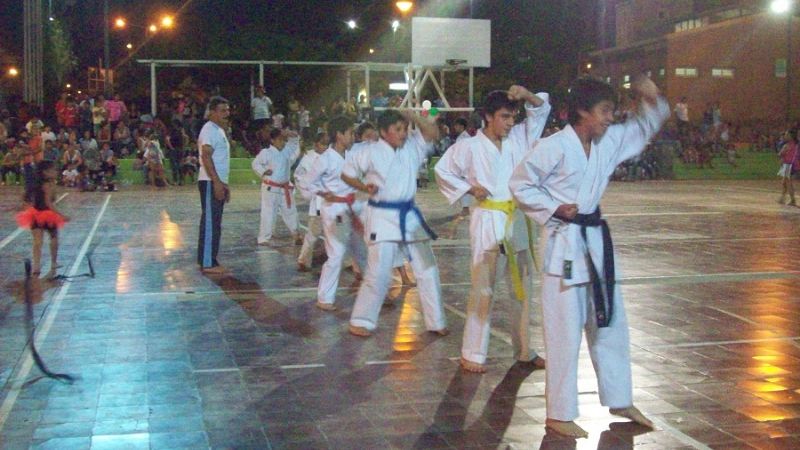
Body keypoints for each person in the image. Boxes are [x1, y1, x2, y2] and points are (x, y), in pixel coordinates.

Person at [509, 75, 669, 438]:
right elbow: (520, 183)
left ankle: (620, 396)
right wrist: (553, 207)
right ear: (582, 111)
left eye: (612, 110)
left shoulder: (608, 142)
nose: (611, 118)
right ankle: (559, 412)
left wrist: (652, 99)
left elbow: (642, 128)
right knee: (564, 331)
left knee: (611, 323)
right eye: (605, 111)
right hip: (563, 245)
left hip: (595, 244)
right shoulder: (554, 146)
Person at [435, 85, 550, 373]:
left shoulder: (519, 138)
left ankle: (524, 350)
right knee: (483, 288)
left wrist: (526, 95)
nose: (511, 123)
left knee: (522, 288)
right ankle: (472, 353)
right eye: (504, 117)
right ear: (488, 117)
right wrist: (469, 187)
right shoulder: (469, 146)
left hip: (516, 219)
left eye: (513, 117)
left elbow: (540, 112)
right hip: (487, 219)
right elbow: (442, 170)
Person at [342, 110, 447, 337]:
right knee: (379, 272)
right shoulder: (368, 152)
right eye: (397, 129)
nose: (402, 133)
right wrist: (363, 187)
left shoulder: (412, 147)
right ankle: (361, 320)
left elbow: (431, 132)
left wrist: (415, 118)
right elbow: (347, 174)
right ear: (383, 132)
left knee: (428, 268)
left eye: (404, 128)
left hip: (408, 215)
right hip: (381, 215)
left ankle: (436, 321)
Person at [302, 117, 368, 311]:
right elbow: (306, 183)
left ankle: (374, 291)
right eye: (349, 132)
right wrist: (322, 192)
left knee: (362, 251)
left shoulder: (350, 155)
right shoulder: (325, 159)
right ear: (339, 135)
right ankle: (325, 298)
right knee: (337, 254)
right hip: (335, 210)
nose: (352, 136)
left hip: (352, 207)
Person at [15, 161, 69, 279]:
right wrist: (62, 215)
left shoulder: (36, 184)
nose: (56, 172)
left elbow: (29, 199)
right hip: (48, 215)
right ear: (45, 172)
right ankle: (54, 262)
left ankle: (36, 266)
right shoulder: (49, 185)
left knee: (37, 242)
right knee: (53, 238)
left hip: (35, 213)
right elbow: (50, 203)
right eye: (53, 170)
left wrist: (25, 207)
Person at [197, 96, 232, 274]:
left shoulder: (218, 130)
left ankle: (208, 258)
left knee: (214, 222)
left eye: (227, 110)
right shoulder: (210, 130)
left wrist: (224, 184)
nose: (227, 113)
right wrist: (217, 183)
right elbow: (206, 156)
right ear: (212, 112)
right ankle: (208, 262)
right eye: (222, 110)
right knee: (211, 223)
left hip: (216, 181)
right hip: (210, 181)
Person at [251, 128, 303, 246]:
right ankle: (264, 238)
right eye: (279, 139)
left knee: (291, 212)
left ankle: (296, 234)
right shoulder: (266, 152)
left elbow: (295, 143)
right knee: (268, 212)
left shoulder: (287, 151)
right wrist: (263, 171)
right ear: (272, 140)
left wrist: (290, 134)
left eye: (283, 140)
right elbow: (255, 164)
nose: (282, 142)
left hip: (285, 188)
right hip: (270, 188)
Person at [294, 132, 328, 272]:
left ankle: (347, 261)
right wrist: (311, 194)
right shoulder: (308, 159)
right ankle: (303, 260)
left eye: (327, 144)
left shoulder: (333, 156)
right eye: (323, 144)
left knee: (341, 233)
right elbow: (299, 177)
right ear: (316, 144)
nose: (325, 147)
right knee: (313, 233)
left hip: (335, 202)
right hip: (319, 201)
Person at [777, 128, 798, 206]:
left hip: (788, 165)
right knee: (784, 182)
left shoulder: (788, 145)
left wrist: (781, 153)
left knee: (788, 183)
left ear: (791, 136)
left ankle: (792, 200)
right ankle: (782, 197)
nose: (785, 136)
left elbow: (780, 153)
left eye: (787, 135)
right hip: (788, 165)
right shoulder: (794, 145)